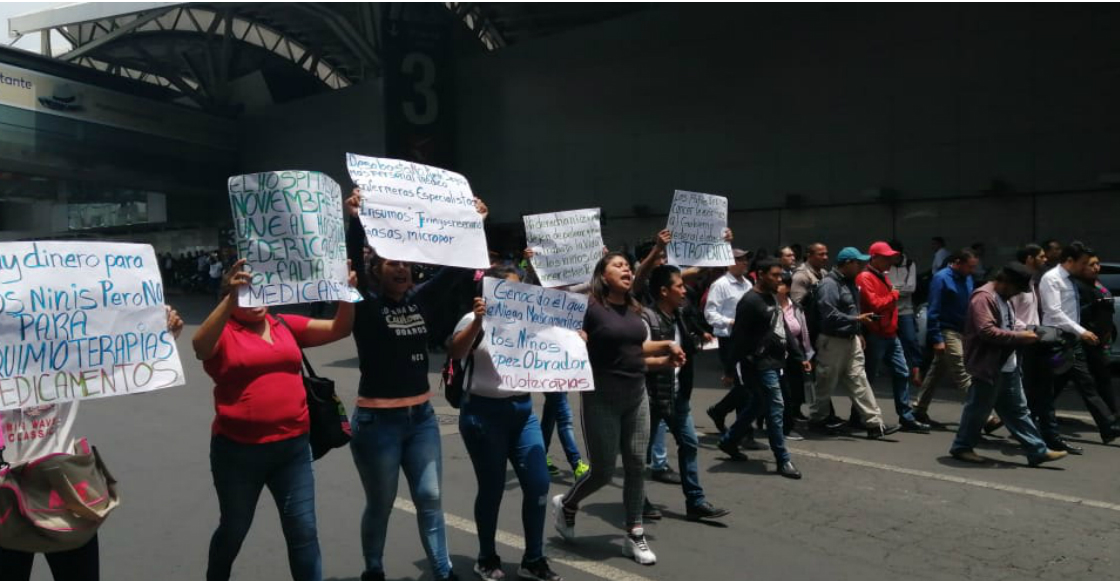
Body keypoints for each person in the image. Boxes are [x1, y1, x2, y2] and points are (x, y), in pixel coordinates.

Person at [344, 189, 487, 581]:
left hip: (421, 419)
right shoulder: (365, 305)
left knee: (430, 497)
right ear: (377, 270)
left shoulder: (420, 300)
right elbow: (352, 259)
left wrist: (473, 223)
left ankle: (442, 572)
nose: (401, 268)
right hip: (378, 423)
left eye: (405, 263)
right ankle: (373, 569)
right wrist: (355, 220)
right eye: (392, 262)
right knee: (381, 503)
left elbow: (455, 270)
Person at [192, 257, 356, 581]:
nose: (256, 299)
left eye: (260, 290)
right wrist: (230, 298)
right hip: (238, 453)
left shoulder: (284, 325)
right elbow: (199, 347)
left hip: (293, 449)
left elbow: (340, 328)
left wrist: (347, 294)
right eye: (246, 292)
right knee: (234, 529)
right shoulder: (224, 332)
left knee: (303, 531)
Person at [0, 307, 183, 581]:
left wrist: (159, 338)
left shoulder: (69, 349)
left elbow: (132, 376)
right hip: (6, 492)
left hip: (64, 489)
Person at [552, 252, 685, 566]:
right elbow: (558, 330)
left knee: (638, 464)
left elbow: (634, 351)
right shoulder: (589, 307)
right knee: (602, 471)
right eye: (618, 265)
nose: (626, 269)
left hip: (636, 395)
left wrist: (666, 351)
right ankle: (568, 504)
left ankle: (634, 534)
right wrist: (576, 340)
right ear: (602, 273)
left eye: (628, 266)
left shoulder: (634, 308)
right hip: (600, 398)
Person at [450, 265, 562, 581]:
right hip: (483, 414)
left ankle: (534, 559)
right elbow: (454, 350)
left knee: (539, 484)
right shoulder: (473, 320)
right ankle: (486, 557)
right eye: (503, 288)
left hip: (522, 413)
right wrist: (479, 323)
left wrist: (574, 341)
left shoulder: (530, 322)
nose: (510, 295)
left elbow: (555, 348)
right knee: (492, 488)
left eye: (516, 289)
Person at [949, 264, 1067, 467]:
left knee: (1018, 410)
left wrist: (1042, 333)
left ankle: (1037, 451)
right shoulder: (983, 298)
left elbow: (1010, 325)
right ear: (1005, 282)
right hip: (988, 365)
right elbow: (987, 331)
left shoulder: (1005, 299)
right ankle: (961, 447)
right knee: (978, 409)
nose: (1017, 294)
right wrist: (1021, 337)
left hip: (1008, 364)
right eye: (1016, 289)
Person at [640, 265, 730, 520]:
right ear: (663, 291)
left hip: (678, 396)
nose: (684, 289)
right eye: (678, 286)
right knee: (640, 453)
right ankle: (638, 499)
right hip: (651, 397)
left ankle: (696, 501)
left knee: (689, 444)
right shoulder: (646, 318)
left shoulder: (679, 313)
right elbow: (638, 353)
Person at [717, 259, 805, 478]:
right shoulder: (749, 302)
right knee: (776, 408)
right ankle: (782, 460)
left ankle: (729, 441)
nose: (779, 279)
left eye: (780, 275)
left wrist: (797, 355)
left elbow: (781, 326)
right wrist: (729, 370)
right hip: (758, 365)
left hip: (776, 362)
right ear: (761, 274)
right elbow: (737, 338)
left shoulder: (771, 297)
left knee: (758, 404)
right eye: (774, 275)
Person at [807, 247, 901, 439]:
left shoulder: (850, 283)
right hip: (832, 341)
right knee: (826, 382)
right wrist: (858, 320)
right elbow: (829, 314)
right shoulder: (829, 284)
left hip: (850, 340)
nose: (861, 266)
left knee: (859, 380)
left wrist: (858, 332)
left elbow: (853, 311)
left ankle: (874, 424)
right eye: (858, 262)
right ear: (848, 263)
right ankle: (817, 420)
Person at [1037, 242, 1120, 445]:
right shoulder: (1052, 279)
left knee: (1083, 383)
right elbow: (1054, 312)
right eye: (1083, 263)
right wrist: (1083, 332)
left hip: (1070, 340)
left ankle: (1109, 427)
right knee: (1048, 385)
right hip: (1052, 338)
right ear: (1070, 261)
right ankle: (1013, 419)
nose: (1086, 267)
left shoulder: (1072, 280)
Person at [856, 242, 929, 433]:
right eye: (886, 258)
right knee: (868, 378)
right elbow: (875, 304)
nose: (890, 261)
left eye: (891, 258)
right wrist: (894, 295)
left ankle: (906, 416)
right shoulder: (865, 277)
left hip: (890, 332)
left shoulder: (883, 276)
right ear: (875, 258)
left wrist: (891, 296)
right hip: (876, 334)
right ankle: (859, 416)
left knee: (902, 372)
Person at [912, 249, 978, 425]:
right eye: (969, 267)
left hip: (963, 329)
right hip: (947, 330)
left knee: (937, 371)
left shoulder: (968, 278)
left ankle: (919, 408)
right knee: (962, 370)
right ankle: (984, 415)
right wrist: (937, 338)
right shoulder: (941, 278)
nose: (972, 271)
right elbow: (934, 309)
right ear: (958, 262)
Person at [704, 248, 753, 433]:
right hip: (729, 340)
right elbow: (710, 313)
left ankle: (722, 412)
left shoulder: (748, 284)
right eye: (739, 259)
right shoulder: (721, 284)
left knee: (747, 384)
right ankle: (742, 430)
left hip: (746, 339)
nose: (744, 263)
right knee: (742, 384)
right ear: (730, 262)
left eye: (745, 259)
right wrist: (729, 322)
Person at [777, 271, 813, 433]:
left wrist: (807, 352)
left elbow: (803, 330)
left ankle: (792, 414)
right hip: (777, 351)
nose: (778, 286)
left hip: (795, 351)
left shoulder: (796, 307)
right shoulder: (770, 306)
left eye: (782, 284)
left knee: (795, 386)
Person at [887, 240, 922, 386]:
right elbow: (884, 286)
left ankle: (917, 368)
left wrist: (894, 290)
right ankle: (896, 369)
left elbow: (911, 288)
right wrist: (899, 288)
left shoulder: (909, 264)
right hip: (888, 308)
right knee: (889, 341)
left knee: (911, 339)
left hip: (905, 310)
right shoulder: (886, 264)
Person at [790, 243, 829, 307]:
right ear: (809, 256)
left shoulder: (824, 273)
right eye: (821, 254)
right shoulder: (800, 276)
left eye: (826, 254)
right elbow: (797, 306)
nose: (825, 257)